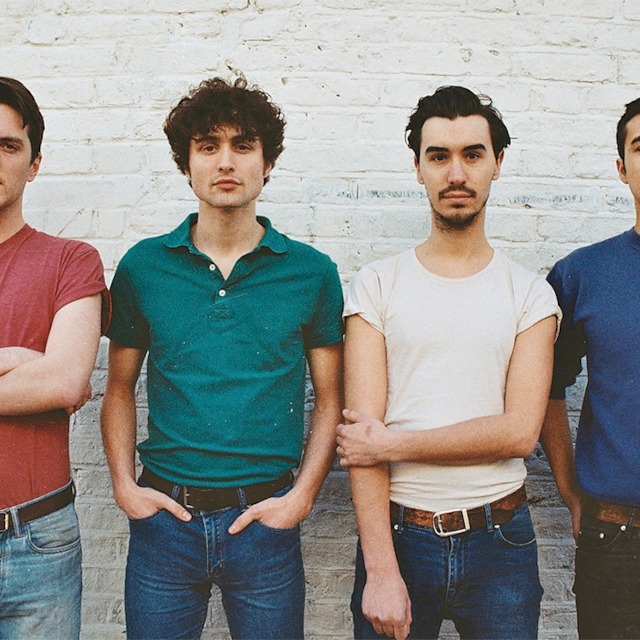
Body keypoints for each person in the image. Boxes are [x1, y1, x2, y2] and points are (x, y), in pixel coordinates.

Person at [100, 75, 343, 640]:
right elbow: (118, 388)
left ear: (267, 162)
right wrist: (124, 486)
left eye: (243, 145)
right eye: (208, 146)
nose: (226, 161)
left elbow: (332, 399)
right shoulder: (143, 267)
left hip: (265, 521)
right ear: (187, 164)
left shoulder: (311, 273)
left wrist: (301, 497)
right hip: (165, 520)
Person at [336, 86, 560, 640]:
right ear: (418, 168)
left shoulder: (530, 295)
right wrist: (381, 571)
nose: (456, 173)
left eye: (472, 155)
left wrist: (393, 444)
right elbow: (361, 440)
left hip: (501, 541)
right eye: (439, 156)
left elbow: (518, 433)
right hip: (399, 539)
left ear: (497, 163)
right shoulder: (377, 285)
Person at [0, 77, 107, 639]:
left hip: (37, 541)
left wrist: (52, 373)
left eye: (7, 145)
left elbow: (65, 381)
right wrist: (21, 360)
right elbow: (51, 376)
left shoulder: (71, 261)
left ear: (34, 164)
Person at [540, 97, 640, 639]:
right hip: (617, 542)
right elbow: (545, 389)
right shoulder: (582, 275)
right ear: (622, 168)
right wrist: (569, 490)